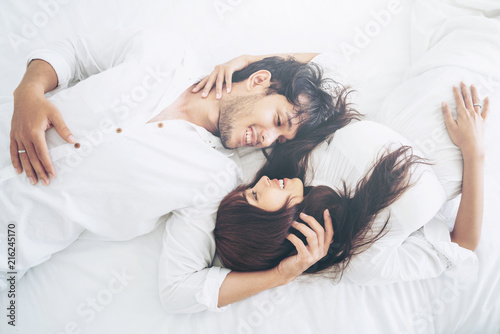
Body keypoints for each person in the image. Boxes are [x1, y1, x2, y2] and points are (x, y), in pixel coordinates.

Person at [0, 29, 358, 313]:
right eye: (278, 120)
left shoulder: (214, 179)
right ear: (258, 80)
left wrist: (281, 275)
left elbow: (179, 291)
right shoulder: (166, 52)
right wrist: (30, 90)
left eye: (278, 140)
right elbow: (73, 51)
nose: (267, 137)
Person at [215, 83, 488, 282]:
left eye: (250, 187)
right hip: (478, 128)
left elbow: (292, 83)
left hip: (426, 87)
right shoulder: (357, 259)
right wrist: (474, 152)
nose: (262, 181)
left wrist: (243, 63)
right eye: (255, 195)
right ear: (269, 230)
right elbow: (461, 245)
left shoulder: (295, 158)